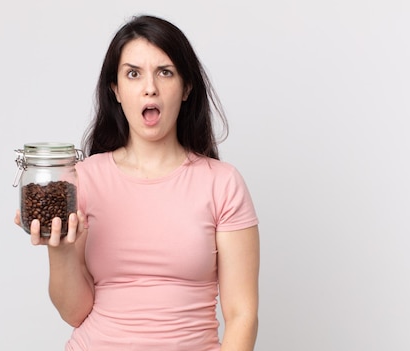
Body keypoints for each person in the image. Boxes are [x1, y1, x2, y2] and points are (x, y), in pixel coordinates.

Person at [15, 15, 260, 351]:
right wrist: (60, 251)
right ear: (115, 89)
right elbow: (74, 312)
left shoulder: (222, 183)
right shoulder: (83, 179)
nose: (150, 87)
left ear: (186, 87)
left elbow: (242, 313)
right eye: (133, 73)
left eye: (165, 72)